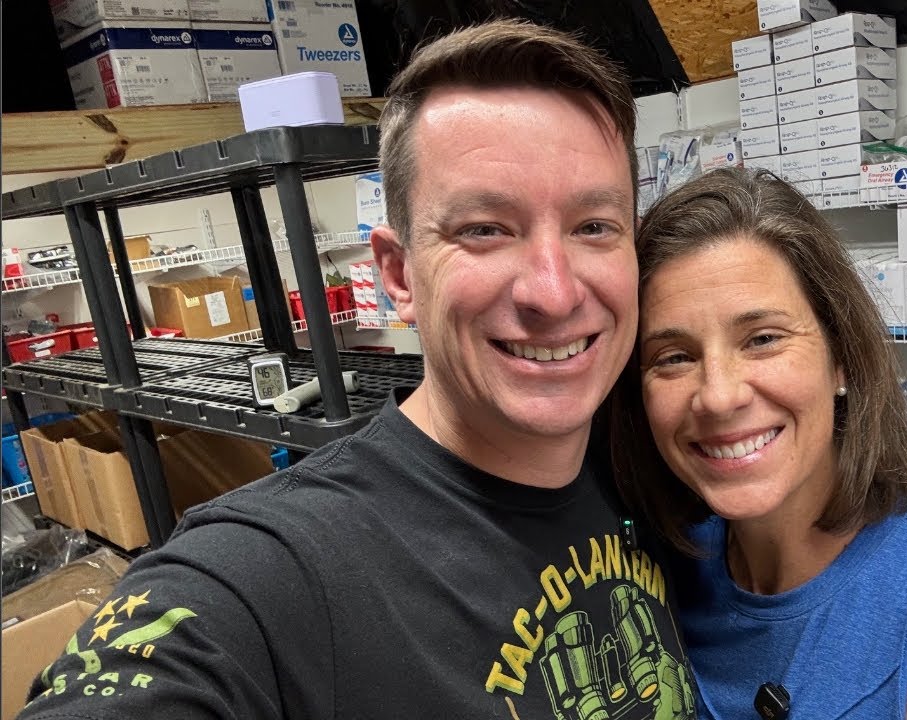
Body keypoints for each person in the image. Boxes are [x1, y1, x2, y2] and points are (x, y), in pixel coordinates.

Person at [18, 20, 696, 720]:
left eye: (593, 227)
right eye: (484, 230)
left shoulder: (651, 469)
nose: (553, 293)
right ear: (398, 275)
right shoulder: (276, 572)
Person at [612, 168, 907, 719]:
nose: (718, 396)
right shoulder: (662, 569)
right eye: (674, 357)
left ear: (840, 358)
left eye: (762, 339)